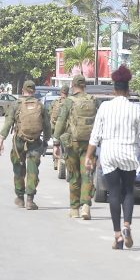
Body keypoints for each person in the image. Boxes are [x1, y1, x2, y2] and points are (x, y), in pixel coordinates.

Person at [84, 66, 140, 249]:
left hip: (109, 154)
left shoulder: (105, 107)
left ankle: (117, 236)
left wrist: (89, 156)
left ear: (114, 89)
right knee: (128, 191)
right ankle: (127, 225)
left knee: (113, 192)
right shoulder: (135, 109)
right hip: (129, 153)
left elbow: (95, 135)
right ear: (128, 90)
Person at [0, 79, 51, 210]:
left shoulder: (16, 104)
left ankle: (20, 198)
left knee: (18, 169)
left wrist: (1, 141)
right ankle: (30, 200)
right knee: (33, 170)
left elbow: (8, 122)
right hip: (35, 141)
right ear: (34, 91)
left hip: (19, 141)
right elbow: (47, 126)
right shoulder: (40, 105)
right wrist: (46, 141)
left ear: (23, 90)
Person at [53, 75, 98, 219]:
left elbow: (60, 122)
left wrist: (55, 143)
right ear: (85, 85)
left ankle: (74, 208)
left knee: (74, 175)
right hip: (89, 144)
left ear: (73, 85)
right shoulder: (93, 101)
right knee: (87, 175)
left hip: (72, 144)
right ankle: (86, 206)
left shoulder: (69, 102)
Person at [50, 84, 70, 172]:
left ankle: (56, 161)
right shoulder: (70, 102)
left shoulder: (55, 102)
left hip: (55, 128)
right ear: (68, 92)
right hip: (66, 129)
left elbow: (50, 113)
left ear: (61, 92)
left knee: (56, 144)